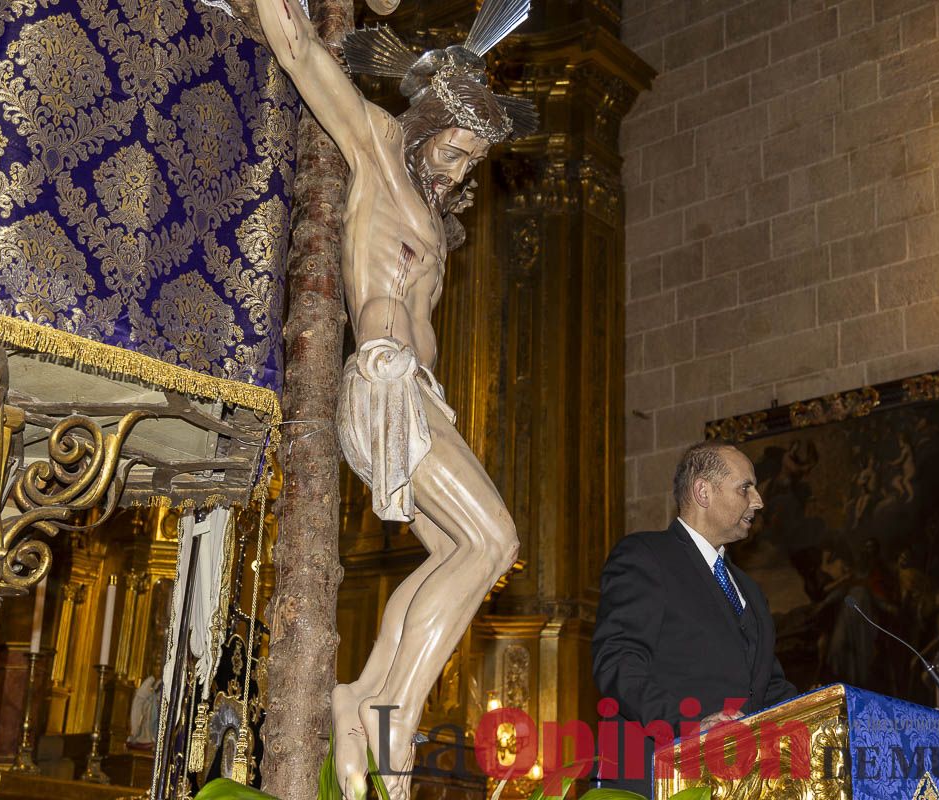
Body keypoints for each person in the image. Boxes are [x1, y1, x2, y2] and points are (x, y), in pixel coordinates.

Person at [246, 1, 538, 798]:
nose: (459, 171)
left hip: (422, 397)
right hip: (381, 378)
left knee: (457, 551)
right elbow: (303, 53)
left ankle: (363, 696)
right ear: (427, 123)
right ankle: (390, 713)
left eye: (473, 162)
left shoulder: (440, 221)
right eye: (454, 149)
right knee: (494, 542)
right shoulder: (376, 146)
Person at [592, 440, 798, 797]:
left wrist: (830, 713)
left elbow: (770, 688)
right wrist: (688, 725)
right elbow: (618, 662)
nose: (759, 500)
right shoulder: (645, 556)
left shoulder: (750, 591)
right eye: (745, 488)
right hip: (657, 779)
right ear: (703, 491)